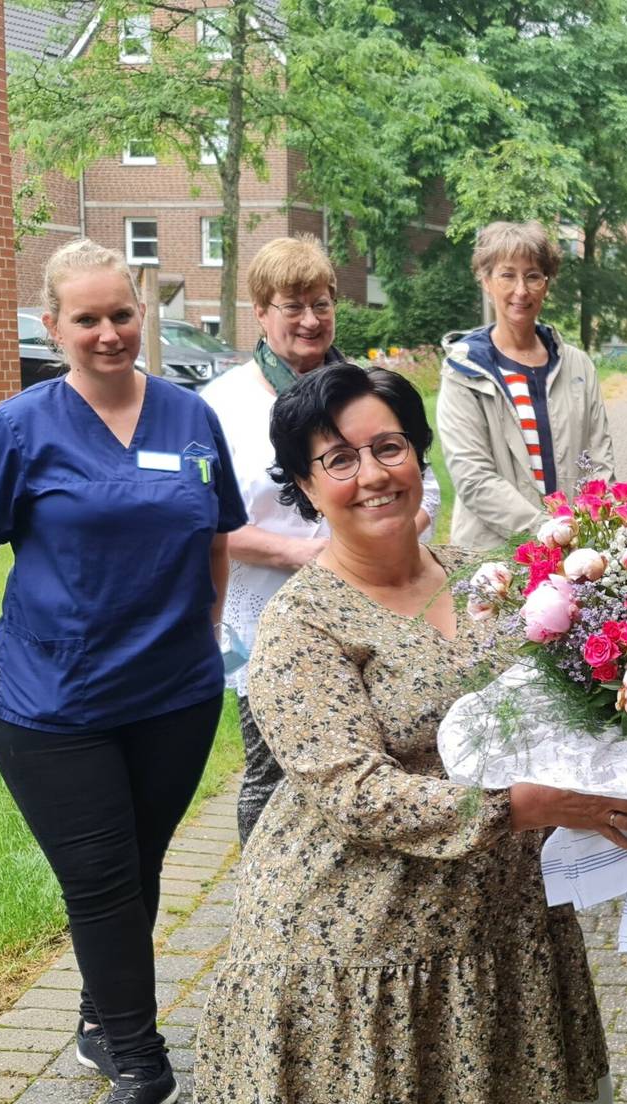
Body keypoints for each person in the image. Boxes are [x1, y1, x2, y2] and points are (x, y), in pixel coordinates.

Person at [190, 362, 627, 1104]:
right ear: (302, 486)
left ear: (419, 455)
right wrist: (526, 808)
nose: (372, 473)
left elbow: (564, 720)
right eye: (338, 458)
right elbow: (357, 790)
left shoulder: (488, 588)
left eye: (387, 446)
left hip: (506, 946)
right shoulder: (301, 624)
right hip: (355, 961)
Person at [0, 237, 246, 1104]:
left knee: (139, 866)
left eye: (122, 313)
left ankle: (96, 1013)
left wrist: (200, 631)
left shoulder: (191, 416)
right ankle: (143, 1064)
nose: (109, 332)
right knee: (100, 879)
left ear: (140, 314)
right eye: (88, 318)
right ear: (52, 326)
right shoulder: (17, 428)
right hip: (53, 701)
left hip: (174, 696)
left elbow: (216, 541)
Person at [202, 235, 440, 844]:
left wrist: (377, 546)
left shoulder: (366, 389)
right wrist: (306, 556)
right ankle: (266, 898)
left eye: (322, 303)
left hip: (380, 604)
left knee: (381, 757)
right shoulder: (220, 407)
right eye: (292, 305)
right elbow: (204, 519)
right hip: (267, 613)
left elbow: (424, 487)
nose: (311, 320)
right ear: (260, 311)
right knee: (271, 769)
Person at [437, 221, 615, 552]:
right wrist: (546, 531)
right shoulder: (464, 371)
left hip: (574, 554)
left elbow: (599, 460)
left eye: (533, 276)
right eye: (507, 275)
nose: (521, 290)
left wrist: (591, 532)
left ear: (546, 284)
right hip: (495, 555)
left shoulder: (577, 366)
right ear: (486, 281)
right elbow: (473, 477)